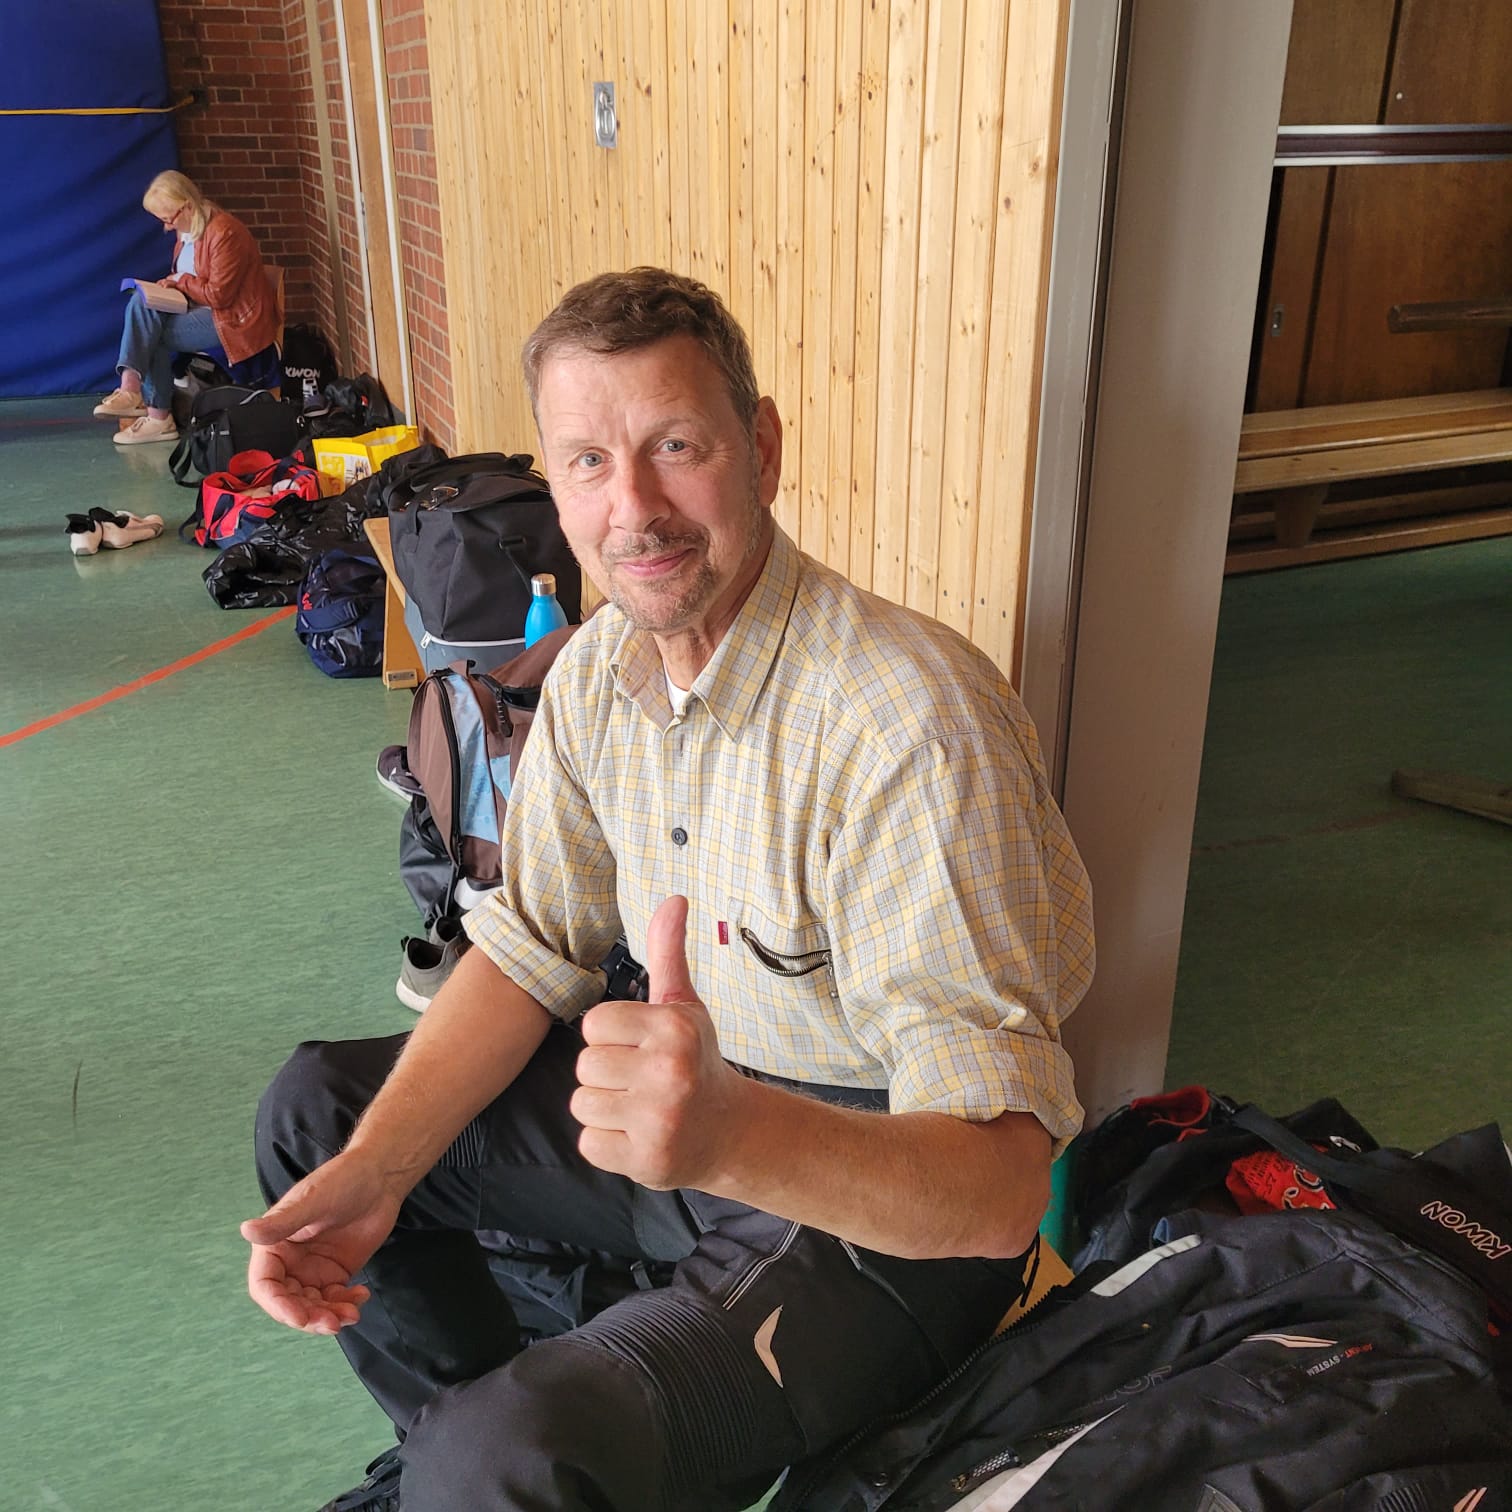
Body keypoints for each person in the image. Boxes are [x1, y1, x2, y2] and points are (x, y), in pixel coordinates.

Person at [242, 268, 1095, 1512]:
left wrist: (734, 1134)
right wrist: (378, 1170)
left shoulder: (910, 723)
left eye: (677, 446)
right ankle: (454, 1454)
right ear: (553, 484)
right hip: (683, 1128)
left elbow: (1000, 1193)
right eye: (588, 461)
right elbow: (529, 949)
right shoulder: (598, 673)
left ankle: (486, 1464)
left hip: (877, 1210)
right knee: (320, 1119)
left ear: (764, 450)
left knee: (508, 1458)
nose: (633, 508)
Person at [94, 170, 280, 445]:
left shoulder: (225, 232)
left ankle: (154, 413)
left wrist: (179, 281)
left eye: (168, 219)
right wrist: (168, 286)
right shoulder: (188, 230)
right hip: (201, 308)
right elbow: (189, 278)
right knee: (141, 301)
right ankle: (134, 392)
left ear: (188, 205)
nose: (168, 227)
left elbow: (219, 296)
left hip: (233, 319)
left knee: (151, 335)